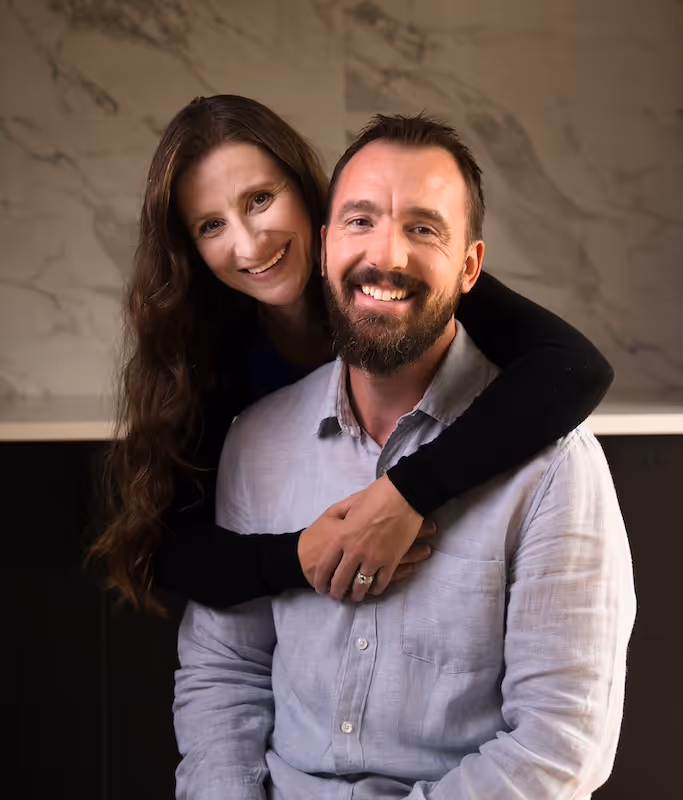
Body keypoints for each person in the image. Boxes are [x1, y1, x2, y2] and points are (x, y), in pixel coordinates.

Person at [173, 114, 636, 799]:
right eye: (360, 220)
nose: (386, 253)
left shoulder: (555, 469)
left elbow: (559, 744)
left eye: (423, 228)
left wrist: (410, 490)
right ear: (328, 245)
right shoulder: (250, 431)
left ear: (470, 266)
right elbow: (222, 671)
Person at [91, 95, 613, 614]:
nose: (249, 246)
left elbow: (574, 367)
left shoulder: (388, 277)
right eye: (211, 225)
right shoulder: (206, 348)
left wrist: (405, 494)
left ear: (305, 191)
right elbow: (170, 551)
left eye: (259, 200)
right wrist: (305, 556)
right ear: (191, 250)